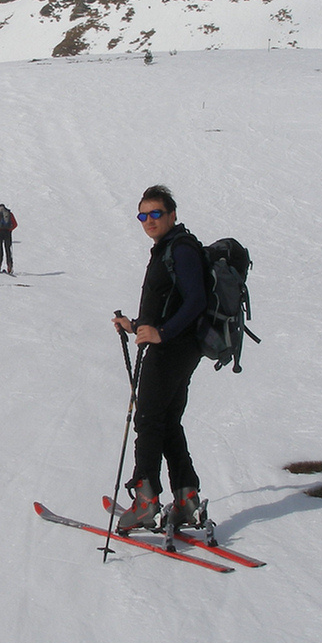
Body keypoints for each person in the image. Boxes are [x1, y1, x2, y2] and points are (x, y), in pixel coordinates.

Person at [110, 185, 207, 534]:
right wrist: (136, 325)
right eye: (143, 215)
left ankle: (145, 500)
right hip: (177, 348)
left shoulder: (180, 249)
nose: (149, 221)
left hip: (172, 350)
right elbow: (169, 304)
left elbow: (195, 301)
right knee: (167, 422)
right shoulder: (169, 249)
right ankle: (186, 498)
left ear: (172, 215)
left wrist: (161, 335)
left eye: (155, 214)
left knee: (148, 422)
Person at [0, 203, 17, 274]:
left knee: (0, 248)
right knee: (8, 249)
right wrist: (10, 229)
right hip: (8, 233)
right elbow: (15, 224)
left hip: (0, 232)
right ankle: (9, 266)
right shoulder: (9, 214)